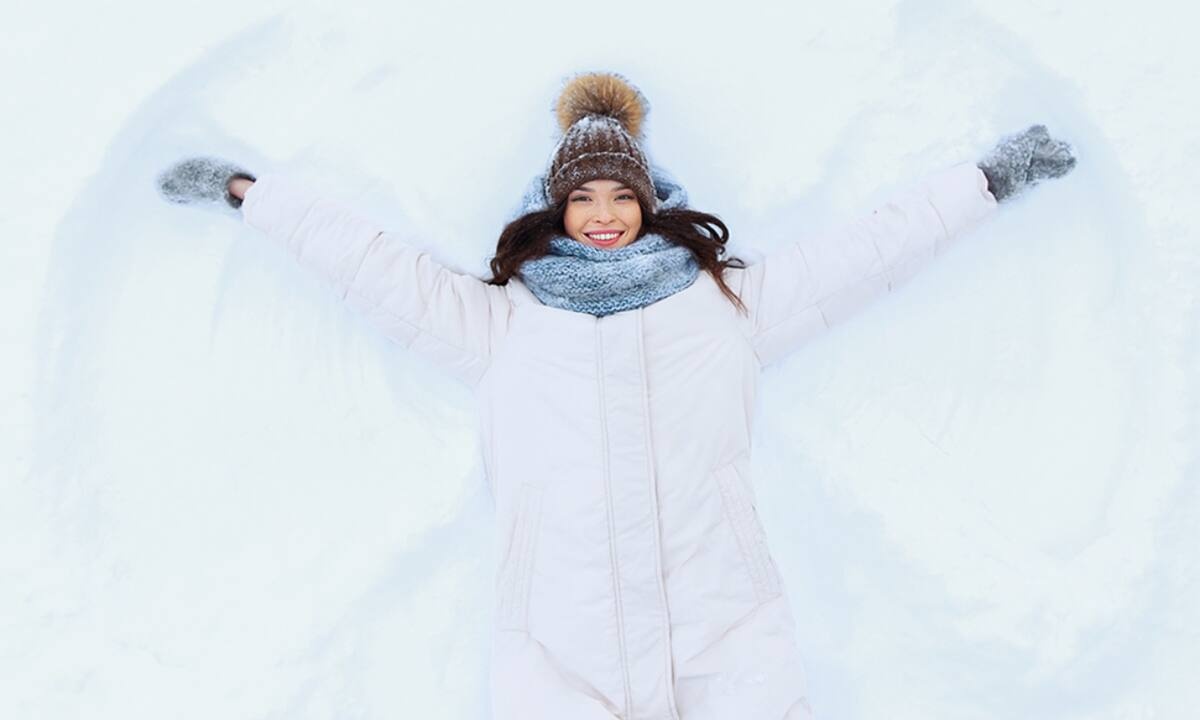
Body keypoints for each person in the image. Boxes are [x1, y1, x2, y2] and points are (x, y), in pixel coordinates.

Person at [157, 71, 1076, 719]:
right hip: (560, 639)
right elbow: (370, 266)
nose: (603, 215)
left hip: (722, 621)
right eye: (583, 198)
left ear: (649, 204)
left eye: (620, 196)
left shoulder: (723, 306)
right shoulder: (499, 324)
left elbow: (867, 252)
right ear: (554, 211)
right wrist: (248, 193)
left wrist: (987, 180)